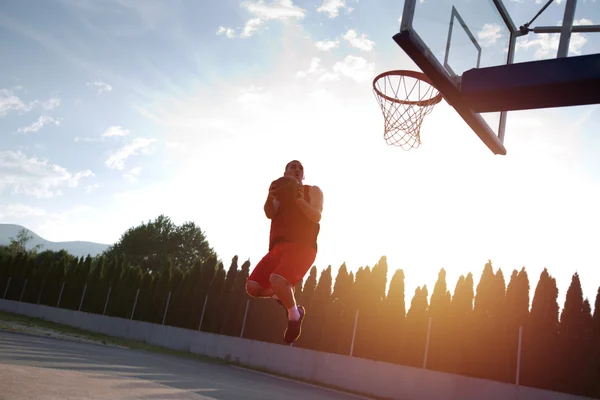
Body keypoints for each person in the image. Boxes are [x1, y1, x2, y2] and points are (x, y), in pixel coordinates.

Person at [245, 160, 323, 344]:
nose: (297, 169)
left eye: (300, 168)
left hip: (302, 246)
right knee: (252, 287)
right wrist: (269, 197)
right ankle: (279, 294)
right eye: (292, 167)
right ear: (285, 173)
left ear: (303, 176)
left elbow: (316, 216)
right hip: (277, 247)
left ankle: (295, 316)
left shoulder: (312, 190)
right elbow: (269, 213)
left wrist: (299, 200)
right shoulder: (279, 193)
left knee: (277, 279)